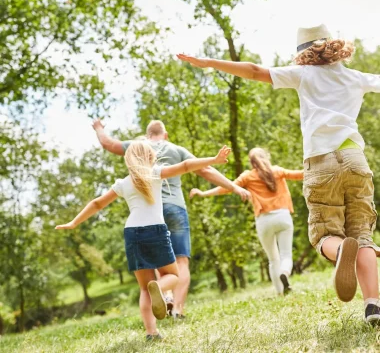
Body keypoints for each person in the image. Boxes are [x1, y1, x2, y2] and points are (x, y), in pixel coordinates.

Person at [177, 24, 380, 323]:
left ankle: (340, 254)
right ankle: (373, 306)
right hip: (355, 160)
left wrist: (209, 62)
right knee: (362, 235)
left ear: (305, 54)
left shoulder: (304, 75)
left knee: (325, 234)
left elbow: (255, 70)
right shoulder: (355, 77)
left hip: (321, 162)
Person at [55, 141, 232, 340]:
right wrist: (214, 160)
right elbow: (185, 166)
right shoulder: (155, 173)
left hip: (132, 233)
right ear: (149, 157)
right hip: (155, 230)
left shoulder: (123, 183)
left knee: (143, 288)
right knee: (172, 275)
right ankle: (160, 287)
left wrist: (74, 222)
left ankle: (151, 332)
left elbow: (97, 203)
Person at [92, 119, 250, 318]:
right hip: (175, 208)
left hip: (149, 213)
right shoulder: (176, 149)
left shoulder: (137, 147)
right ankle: (178, 309)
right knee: (181, 262)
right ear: (165, 135)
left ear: (147, 135)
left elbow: (108, 144)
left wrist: (98, 127)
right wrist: (234, 187)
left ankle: (166, 295)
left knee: (160, 260)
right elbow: (204, 169)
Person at [191, 147, 303, 295]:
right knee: (285, 256)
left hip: (264, 221)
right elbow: (300, 174)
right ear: (266, 157)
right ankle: (285, 272)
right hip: (283, 216)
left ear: (251, 162)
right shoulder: (277, 171)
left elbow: (227, 187)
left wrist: (203, 193)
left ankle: (280, 293)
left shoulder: (248, 176)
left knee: (273, 259)